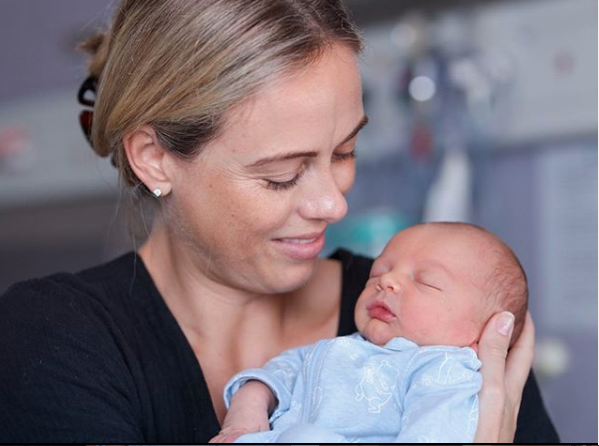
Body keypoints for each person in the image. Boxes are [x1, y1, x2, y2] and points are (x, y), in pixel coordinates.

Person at [0, 0, 558, 443]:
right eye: (283, 174)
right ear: (155, 157)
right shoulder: (54, 341)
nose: (334, 205)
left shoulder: (445, 316)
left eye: (343, 152)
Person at [213, 222, 528, 443]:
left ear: (479, 336)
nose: (386, 281)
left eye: (425, 281)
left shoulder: (442, 371)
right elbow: (286, 368)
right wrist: (251, 401)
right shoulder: (343, 348)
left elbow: (435, 432)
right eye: (379, 270)